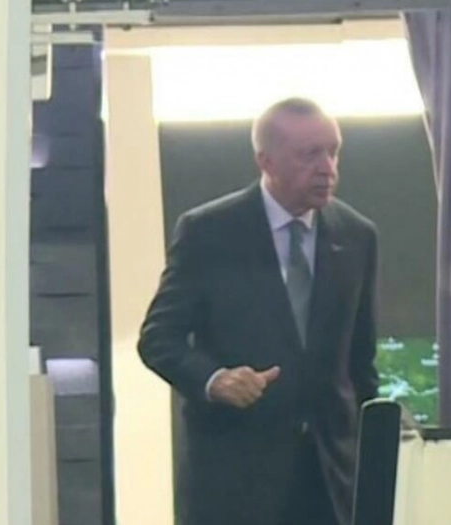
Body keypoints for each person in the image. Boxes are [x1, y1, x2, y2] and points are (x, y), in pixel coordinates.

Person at [137, 97, 380, 525]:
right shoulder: (208, 232)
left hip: (331, 485)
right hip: (236, 483)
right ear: (265, 160)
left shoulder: (357, 236)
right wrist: (214, 379)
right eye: (310, 155)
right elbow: (158, 339)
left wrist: (373, 459)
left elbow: (361, 364)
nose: (327, 168)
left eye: (333, 151)